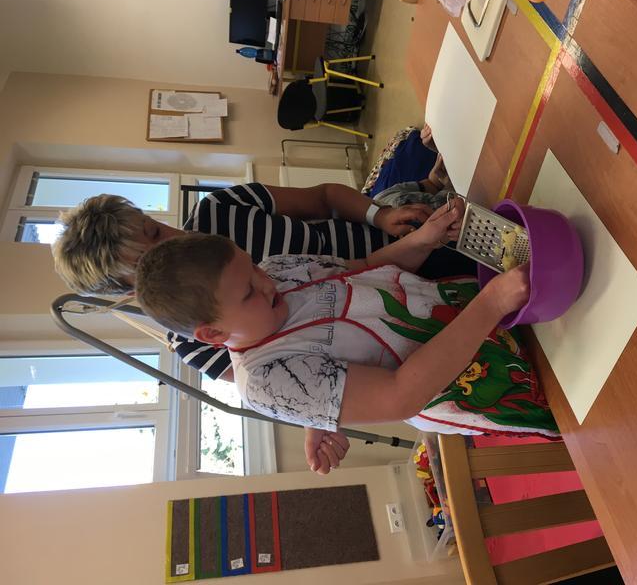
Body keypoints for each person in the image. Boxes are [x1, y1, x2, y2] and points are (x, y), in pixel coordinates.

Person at [51, 181, 473, 473]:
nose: (171, 249)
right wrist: (316, 414)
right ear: (135, 292)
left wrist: (381, 216)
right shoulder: (200, 346)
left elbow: (328, 205)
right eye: (148, 265)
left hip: (409, 262)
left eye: (155, 231)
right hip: (436, 348)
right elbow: (296, 379)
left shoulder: (228, 221)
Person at [135, 203, 559, 439]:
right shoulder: (265, 381)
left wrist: (421, 241)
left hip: (478, 305)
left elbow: (367, 268)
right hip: (488, 382)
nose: (266, 282)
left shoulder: (276, 269)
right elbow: (400, 396)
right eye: (248, 291)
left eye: (252, 267)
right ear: (213, 333)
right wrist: (490, 305)